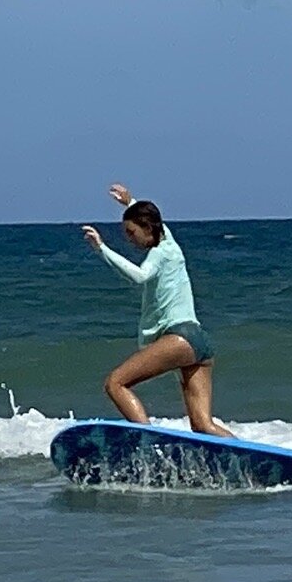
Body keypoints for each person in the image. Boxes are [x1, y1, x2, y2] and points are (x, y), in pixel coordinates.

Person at [81, 183, 231, 436]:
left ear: (148, 229)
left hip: (181, 338)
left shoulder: (160, 253)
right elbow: (156, 222)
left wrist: (102, 249)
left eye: (131, 232)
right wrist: (129, 202)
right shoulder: (170, 243)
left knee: (116, 383)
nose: (129, 239)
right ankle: (251, 463)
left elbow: (140, 276)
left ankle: (147, 443)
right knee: (203, 425)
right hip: (200, 342)